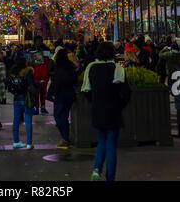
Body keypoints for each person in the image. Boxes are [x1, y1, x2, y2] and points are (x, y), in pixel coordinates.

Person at [81, 42, 131, 181]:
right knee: (111, 145)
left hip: (97, 110)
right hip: (113, 111)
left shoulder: (91, 67)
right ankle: (110, 177)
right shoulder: (117, 68)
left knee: (102, 141)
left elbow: (86, 90)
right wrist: (119, 105)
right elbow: (126, 93)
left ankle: (96, 169)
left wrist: (95, 101)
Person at [8, 57, 36, 150]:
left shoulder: (12, 73)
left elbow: (8, 86)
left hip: (16, 98)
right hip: (26, 99)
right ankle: (29, 143)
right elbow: (31, 86)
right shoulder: (28, 72)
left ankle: (16, 141)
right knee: (28, 121)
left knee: (16, 120)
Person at [53, 49, 78, 150]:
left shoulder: (59, 68)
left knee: (58, 116)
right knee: (64, 116)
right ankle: (65, 138)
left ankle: (65, 138)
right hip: (70, 94)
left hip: (61, 95)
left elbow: (57, 83)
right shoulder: (71, 67)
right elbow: (74, 80)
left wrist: (54, 93)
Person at [26, 36, 51, 115]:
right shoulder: (31, 50)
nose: (38, 42)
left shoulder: (47, 50)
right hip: (35, 74)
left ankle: (42, 107)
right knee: (36, 92)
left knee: (43, 92)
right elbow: (28, 63)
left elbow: (50, 62)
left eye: (40, 41)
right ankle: (36, 108)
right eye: (37, 41)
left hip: (44, 74)